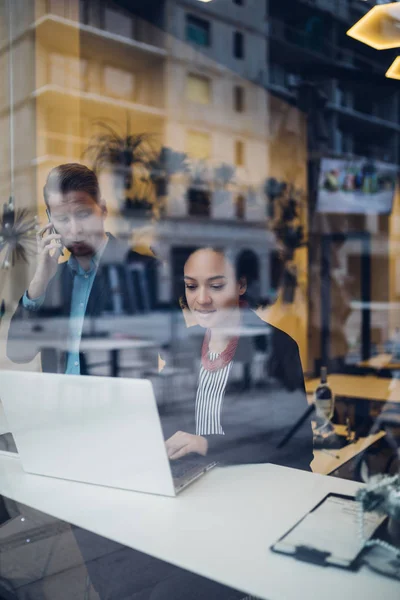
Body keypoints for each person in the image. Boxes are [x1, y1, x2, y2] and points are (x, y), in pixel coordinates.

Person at [163, 246, 313, 471]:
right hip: (194, 481)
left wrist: (207, 445)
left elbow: (296, 440)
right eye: (191, 286)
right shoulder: (188, 346)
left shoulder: (276, 345)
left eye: (216, 286)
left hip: (253, 488)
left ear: (241, 285)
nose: (202, 299)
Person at [7, 163, 158, 374]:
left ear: (103, 210)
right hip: (60, 406)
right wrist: (38, 283)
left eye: (84, 215)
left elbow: (176, 356)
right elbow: (18, 353)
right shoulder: (50, 280)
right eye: (62, 219)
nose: (75, 229)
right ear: (50, 221)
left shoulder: (143, 270)